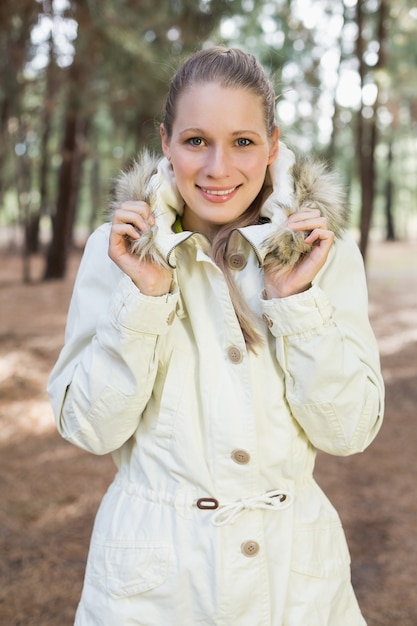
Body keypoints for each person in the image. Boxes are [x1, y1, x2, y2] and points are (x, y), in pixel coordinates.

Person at [48, 46, 384, 625]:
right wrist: (146, 298)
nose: (218, 169)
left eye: (244, 142)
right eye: (196, 140)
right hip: (153, 586)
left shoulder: (323, 255)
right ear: (166, 141)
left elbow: (349, 431)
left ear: (273, 145)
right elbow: (89, 429)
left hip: (292, 581)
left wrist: (295, 302)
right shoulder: (119, 252)